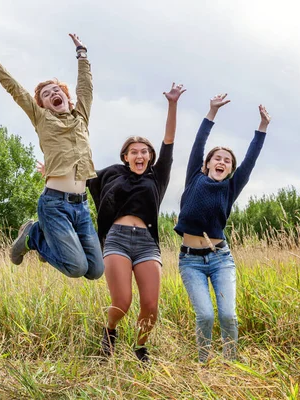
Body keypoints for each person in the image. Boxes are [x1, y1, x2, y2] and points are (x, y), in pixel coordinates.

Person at [0, 31, 104, 280]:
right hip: (54, 204)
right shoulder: (42, 118)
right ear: (43, 105)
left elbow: (86, 87)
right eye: (46, 94)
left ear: (66, 97)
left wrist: (82, 54)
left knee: (95, 271)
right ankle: (34, 236)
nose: (52, 94)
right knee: (77, 268)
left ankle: (37, 236)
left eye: (56, 90)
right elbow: (13, 88)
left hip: (81, 206)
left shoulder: (81, 117)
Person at [88, 83, 187, 362]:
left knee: (151, 305)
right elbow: (79, 175)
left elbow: (169, 139)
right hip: (117, 238)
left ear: (150, 157)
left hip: (146, 243)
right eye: (134, 151)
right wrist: (54, 171)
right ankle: (110, 331)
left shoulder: (158, 176)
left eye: (144, 151)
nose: (140, 155)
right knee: (122, 302)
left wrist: (172, 103)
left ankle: (140, 347)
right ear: (125, 157)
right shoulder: (110, 174)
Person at [174, 93, 271, 362]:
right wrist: (212, 112)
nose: (221, 161)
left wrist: (262, 127)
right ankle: (203, 363)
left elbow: (250, 160)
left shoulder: (230, 187)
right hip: (190, 261)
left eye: (227, 160)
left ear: (230, 170)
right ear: (206, 165)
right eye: (217, 158)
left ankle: (230, 362)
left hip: (221, 259)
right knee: (205, 314)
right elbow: (199, 143)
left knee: (228, 314)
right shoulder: (195, 177)